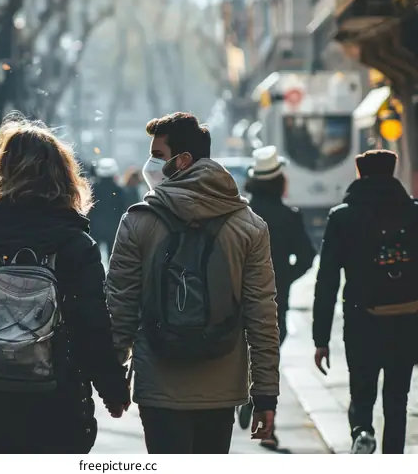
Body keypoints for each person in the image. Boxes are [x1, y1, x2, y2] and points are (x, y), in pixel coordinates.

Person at [0, 116, 130, 454]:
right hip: (59, 400)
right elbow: (92, 324)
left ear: (2, 171)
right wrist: (112, 389)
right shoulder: (74, 243)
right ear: (63, 174)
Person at [107, 112, 280, 454]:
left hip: (159, 383)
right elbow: (262, 314)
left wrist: (113, 379)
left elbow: (119, 307)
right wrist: (264, 394)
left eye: (157, 155)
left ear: (183, 160)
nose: (150, 164)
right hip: (221, 386)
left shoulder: (138, 223)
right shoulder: (249, 227)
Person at [313, 150, 418, 454]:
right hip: (408, 320)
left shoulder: (343, 216)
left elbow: (327, 280)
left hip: (362, 320)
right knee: (398, 399)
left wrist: (321, 339)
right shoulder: (413, 213)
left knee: (362, 388)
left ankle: (362, 431)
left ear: (359, 174)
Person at [240, 145, 315, 448]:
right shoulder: (289, 217)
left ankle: (244, 394)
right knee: (268, 360)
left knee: (241, 352)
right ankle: (264, 425)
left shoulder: (240, 215)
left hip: (239, 298)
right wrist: (283, 279)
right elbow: (308, 256)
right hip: (275, 300)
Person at [89, 158, 126, 259]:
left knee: (94, 256)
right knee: (112, 256)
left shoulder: (93, 188)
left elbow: (89, 209)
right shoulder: (118, 189)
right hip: (113, 227)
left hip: (96, 227)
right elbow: (122, 208)